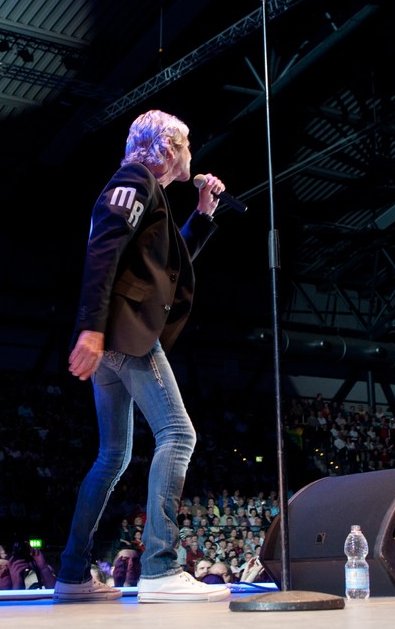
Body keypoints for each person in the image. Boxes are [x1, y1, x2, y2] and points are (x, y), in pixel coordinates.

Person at [53, 109, 231, 604]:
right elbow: (103, 250)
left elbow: (169, 268)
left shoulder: (152, 194)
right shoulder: (134, 179)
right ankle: (159, 567)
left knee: (113, 455)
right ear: (170, 149)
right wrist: (91, 327)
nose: (192, 153)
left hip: (115, 336)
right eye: (187, 144)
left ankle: (72, 574)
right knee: (179, 434)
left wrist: (204, 212)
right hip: (123, 332)